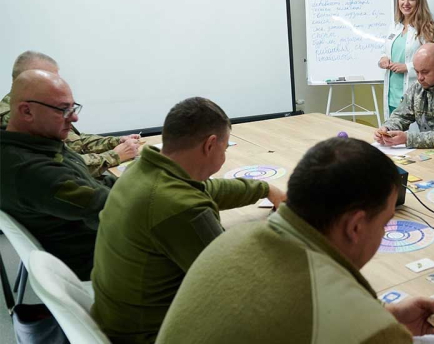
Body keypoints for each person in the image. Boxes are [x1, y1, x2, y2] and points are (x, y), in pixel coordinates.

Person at [156, 138, 434, 344]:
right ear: (355, 226)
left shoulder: (237, 237)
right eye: (385, 222)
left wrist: (384, 317)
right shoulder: (354, 318)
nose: (385, 232)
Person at [91, 97, 287, 344]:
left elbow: (205, 189)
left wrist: (264, 188)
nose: (224, 156)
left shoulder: (142, 170)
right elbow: (236, 283)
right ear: (210, 145)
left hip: (118, 319)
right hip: (151, 335)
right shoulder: (181, 207)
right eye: (225, 150)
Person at [0, 70, 114, 280]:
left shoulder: (38, 144)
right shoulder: (31, 170)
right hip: (101, 261)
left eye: (73, 107)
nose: (75, 117)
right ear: (26, 111)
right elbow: (108, 209)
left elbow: (95, 184)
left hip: (95, 244)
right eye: (63, 109)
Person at [0, 51, 140, 177]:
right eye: (49, 81)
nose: (58, 85)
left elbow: (74, 142)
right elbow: (62, 166)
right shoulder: (14, 118)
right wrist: (115, 156)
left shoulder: (37, 107)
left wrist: (114, 141)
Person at [378, 0, 434, 119]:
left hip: (415, 92)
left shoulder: (429, 29)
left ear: (419, 2)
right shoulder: (394, 26)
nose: (405, 3)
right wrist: (383, 59)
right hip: (391, 94)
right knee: (391, 135)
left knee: (410, 137)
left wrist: (407, 67)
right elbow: (387, 51)